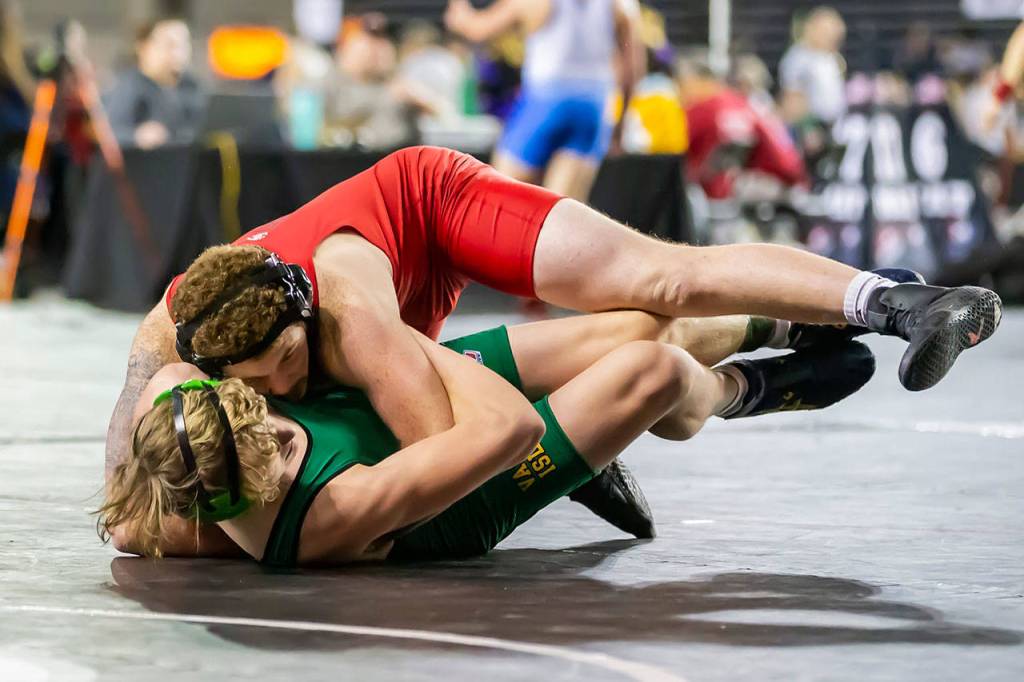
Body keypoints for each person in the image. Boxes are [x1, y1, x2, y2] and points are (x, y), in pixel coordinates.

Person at [103, 145, 1002, 556]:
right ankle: (768, 354)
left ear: (304, 322)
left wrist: (566, 455)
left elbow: (468, 447)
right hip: (398, 391)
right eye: (259, 390)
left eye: (289, 371)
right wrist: (125, 483)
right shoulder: (199, 332)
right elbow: (146, 387)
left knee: (662, 286)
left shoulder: (353, 320)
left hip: (430, 211)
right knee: (636, 357)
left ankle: (896, 303)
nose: (278, 394)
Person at [99, 308, 877, 563]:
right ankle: (744, 391)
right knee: (653, 372)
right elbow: (506, 428)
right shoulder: (333, 511)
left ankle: (781, 313)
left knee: (637, 324)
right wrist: (394, 345)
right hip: (457, 490)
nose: (275, 407)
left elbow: (158, 336)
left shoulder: (176, 399)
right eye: (272, 445)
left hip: (365, 419)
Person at [445, 0, 643, 201]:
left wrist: (459, 12)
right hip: (593, 107)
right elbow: (633, 69)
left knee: (501, 199)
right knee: (562, 210)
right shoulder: (619, 5)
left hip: (546, 102)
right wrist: (620, 125)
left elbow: (478, 29)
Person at [676, 51, 807, 201]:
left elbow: (668, 151)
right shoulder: (746, 106)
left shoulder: (700, 109)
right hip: (737, 192)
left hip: (707, 195)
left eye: (680, 82)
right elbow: (786, 160)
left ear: (696, 80)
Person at [104, 18, 204, 149]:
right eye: (170, 45)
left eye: (183, 44)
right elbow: (109, 134)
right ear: (144, 47)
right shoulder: (128, 88)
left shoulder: (191, 87)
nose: (178, 53)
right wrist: (136, 136)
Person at [778, 6, 847, 127]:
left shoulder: (831, 58)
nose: (832, 37)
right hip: (811, 129)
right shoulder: (798, 58)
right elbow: (792, 99)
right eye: (826, 32)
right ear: (812, 29)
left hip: (833, 126)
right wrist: (807, 129)